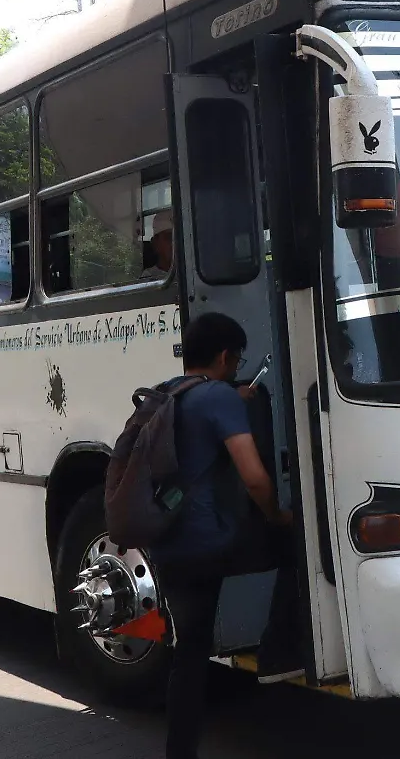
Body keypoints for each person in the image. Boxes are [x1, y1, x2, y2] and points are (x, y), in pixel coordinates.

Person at [150, 312, 299, 759]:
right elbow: (254, 478)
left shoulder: (167, 391)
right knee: (300, 547)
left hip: (167, 544)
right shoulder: (221, 399)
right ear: (223, 356)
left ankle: (180, 752)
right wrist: (276, 515)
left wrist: (233, 395)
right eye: (236, 360)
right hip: (212, 544)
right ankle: (280, 650)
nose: (237, 367)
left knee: (190, 653)